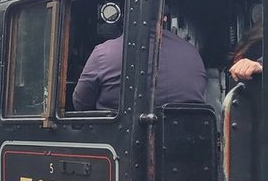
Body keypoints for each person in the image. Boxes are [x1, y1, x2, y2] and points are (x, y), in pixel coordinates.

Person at [72, 15, 206, 111]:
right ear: (165, 19)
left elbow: (80, 103)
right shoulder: (192, 52)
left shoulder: (103, 52)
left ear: (125, 17)